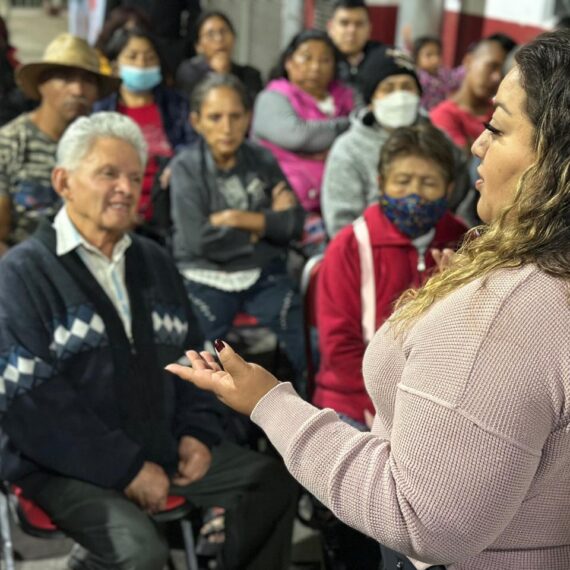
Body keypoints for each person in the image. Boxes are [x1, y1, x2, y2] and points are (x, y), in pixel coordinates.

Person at [167, 28, 570, 570]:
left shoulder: (502, 311)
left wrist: (271, 403)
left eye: (497, 127)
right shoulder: (361, 246)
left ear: (556, 159)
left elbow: (423, 521)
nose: (476, 143)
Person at [0, 111, 297, 570]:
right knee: (141, 553)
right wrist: (127, 469)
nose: (125, 187)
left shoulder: (154, 261)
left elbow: (194, 358)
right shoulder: (21, 273)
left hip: (163, 448)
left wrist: (197, 434)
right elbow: (33, 405)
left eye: (135, 177)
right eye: (108, 173)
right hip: (62, 467)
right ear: (63, 182)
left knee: (273, 482)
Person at [315, 123, 467, 570]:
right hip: (352, 400)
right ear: (381, 184)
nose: (414, 196)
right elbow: (339, 349)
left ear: (450, 189)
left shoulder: (465, 243)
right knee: (377, 501)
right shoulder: (350, 246)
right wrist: (392, 416)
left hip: (436, 404)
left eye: (428, 184)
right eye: (402, 182)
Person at [170, 73, 307, 388]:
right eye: (215, 117)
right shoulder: (186, 167)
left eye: (235, 116)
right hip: (204, 273)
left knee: (301, 341)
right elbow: (199, 239)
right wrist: (266, 225)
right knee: (200, 356)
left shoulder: (261, 159)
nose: (227, 127)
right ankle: (206, 429)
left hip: (261, 271)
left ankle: (300, 416)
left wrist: (239, 219)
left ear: (248, 118)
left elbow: (293, 223)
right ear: (196, 121)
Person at [0, 33, 119, 254]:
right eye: (65, 78)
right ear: (41, 84)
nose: (78, 90)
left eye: (88, 81)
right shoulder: (9, 143)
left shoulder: (103, 146)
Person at [252, 29, 354, 252]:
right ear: (289, 62)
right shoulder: (273, 97)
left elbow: (363, 131)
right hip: (292, 207)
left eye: (325, 59)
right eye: (307, 57)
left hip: (342, 203)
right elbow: (298, 136)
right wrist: (343, 127)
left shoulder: (347, 97)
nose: (316, 67)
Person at [95, 27, 196, 233]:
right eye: (132, 57)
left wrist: (179, 162)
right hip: (114, 213)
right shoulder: (101, 110)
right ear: (115, 66)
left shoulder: (178, 105)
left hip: (169, 216)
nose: (142, 64)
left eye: (150, 58)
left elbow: (194, 145)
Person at [321, 48, 423, 237]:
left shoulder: (439, 141)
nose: (400, 97)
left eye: (407, 86)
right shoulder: (348, 150)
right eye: (388, 88)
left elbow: (460, 203)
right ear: (371, 100)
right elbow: (341, 225)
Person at [430, 38, 506, 152]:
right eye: (492, 66)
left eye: (502, 71)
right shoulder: (442, 115)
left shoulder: (500, 112)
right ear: (468, 61)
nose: (497, 77)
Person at [176, 10, 263, 104]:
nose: (219, 39)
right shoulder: (189, 72)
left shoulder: (250, 75)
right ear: (198, 46)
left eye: (224, 32)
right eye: (210, 34)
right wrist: (218, 75)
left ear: (234, 38)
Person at [327, 0, 387, 96]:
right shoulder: (320, 62)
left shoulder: (384, 61)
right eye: (344, 23)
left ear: (369, 29)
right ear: (330, 27)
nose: (352, 30)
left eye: (359, 24)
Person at [413, 36, 463, 111]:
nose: (435, 59)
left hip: (440, 114)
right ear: (417, 58)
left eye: (438, 54)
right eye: (429, 55)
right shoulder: (417, 78)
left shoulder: (444, 74)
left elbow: (456, 78)